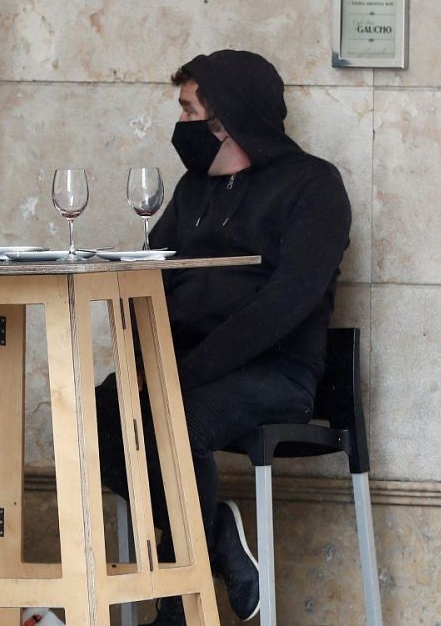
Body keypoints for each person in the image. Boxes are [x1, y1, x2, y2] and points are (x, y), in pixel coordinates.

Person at [95, 50, 352, 625]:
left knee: (174, 417)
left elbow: (288, 301)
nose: (180, 125)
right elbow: (151, 274)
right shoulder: (193, 190)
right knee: (101, 413)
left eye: (189, 111)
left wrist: (187, 371)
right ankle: (217, 542)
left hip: (275, 372)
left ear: (226, 118)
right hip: (190, 369)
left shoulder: (313, 185)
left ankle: (178, 609)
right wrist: (149, 357)